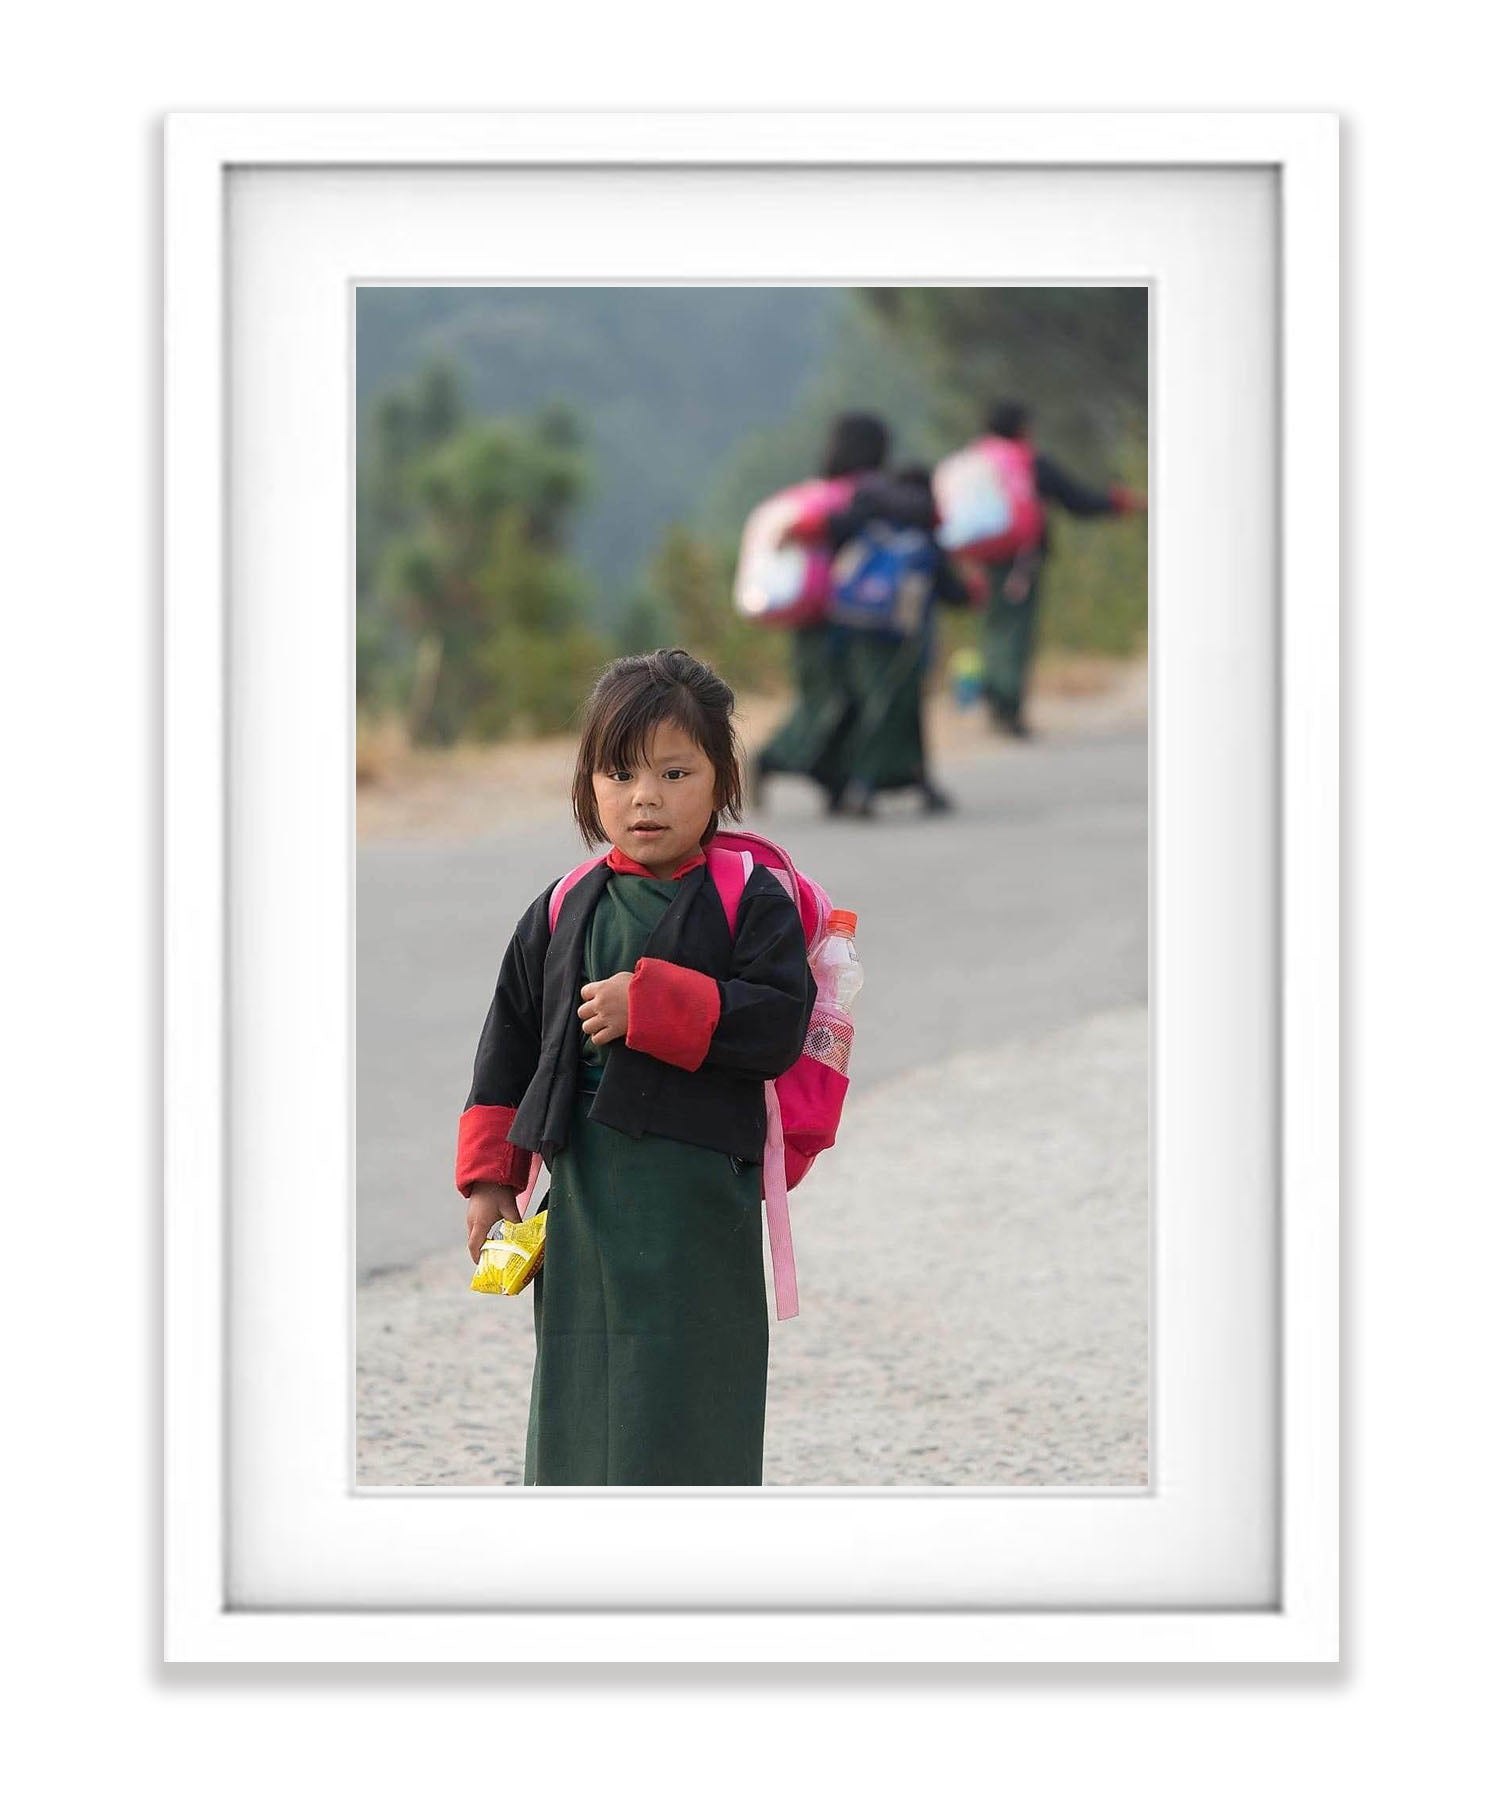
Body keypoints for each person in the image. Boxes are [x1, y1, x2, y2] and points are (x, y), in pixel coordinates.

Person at [456, 648, 816, 1486]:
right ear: (587, 786)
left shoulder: (750, 899)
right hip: (587, 1195)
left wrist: (651, 1007)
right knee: (584, 1380)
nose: (644, 797)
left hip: (700, 1200)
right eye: (618, 775)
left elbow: (776, 1025)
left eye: (675, 773)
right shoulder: (563, 906)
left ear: (723, 780)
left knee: (694, 1384)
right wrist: (491, 1179)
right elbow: (508, 1044)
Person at [751, 411, 930, 814]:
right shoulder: (865, 494)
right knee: (836, 702)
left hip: (820, 617)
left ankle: (836, 781)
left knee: (839, 701)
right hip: (850, 619)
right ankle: (776, 760)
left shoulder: (825, 497)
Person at [967, 400, 1145, 737]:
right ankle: (1008, 709)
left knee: (993, 629)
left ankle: (994, 703)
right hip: (1022, 562)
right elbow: (1077, 501)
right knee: (1015, 632)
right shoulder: (1031, 463)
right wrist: (1119, 503)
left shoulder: (975, 463)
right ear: (1022, 428)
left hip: (981, 561)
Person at [827, 463, 971, 819]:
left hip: (857, 629)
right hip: (904, 639)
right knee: (893, 708)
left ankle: (914, 782)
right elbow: (954, 591)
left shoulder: (870, 523)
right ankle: (863, 785)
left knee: (881, 705)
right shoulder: (922, 535)